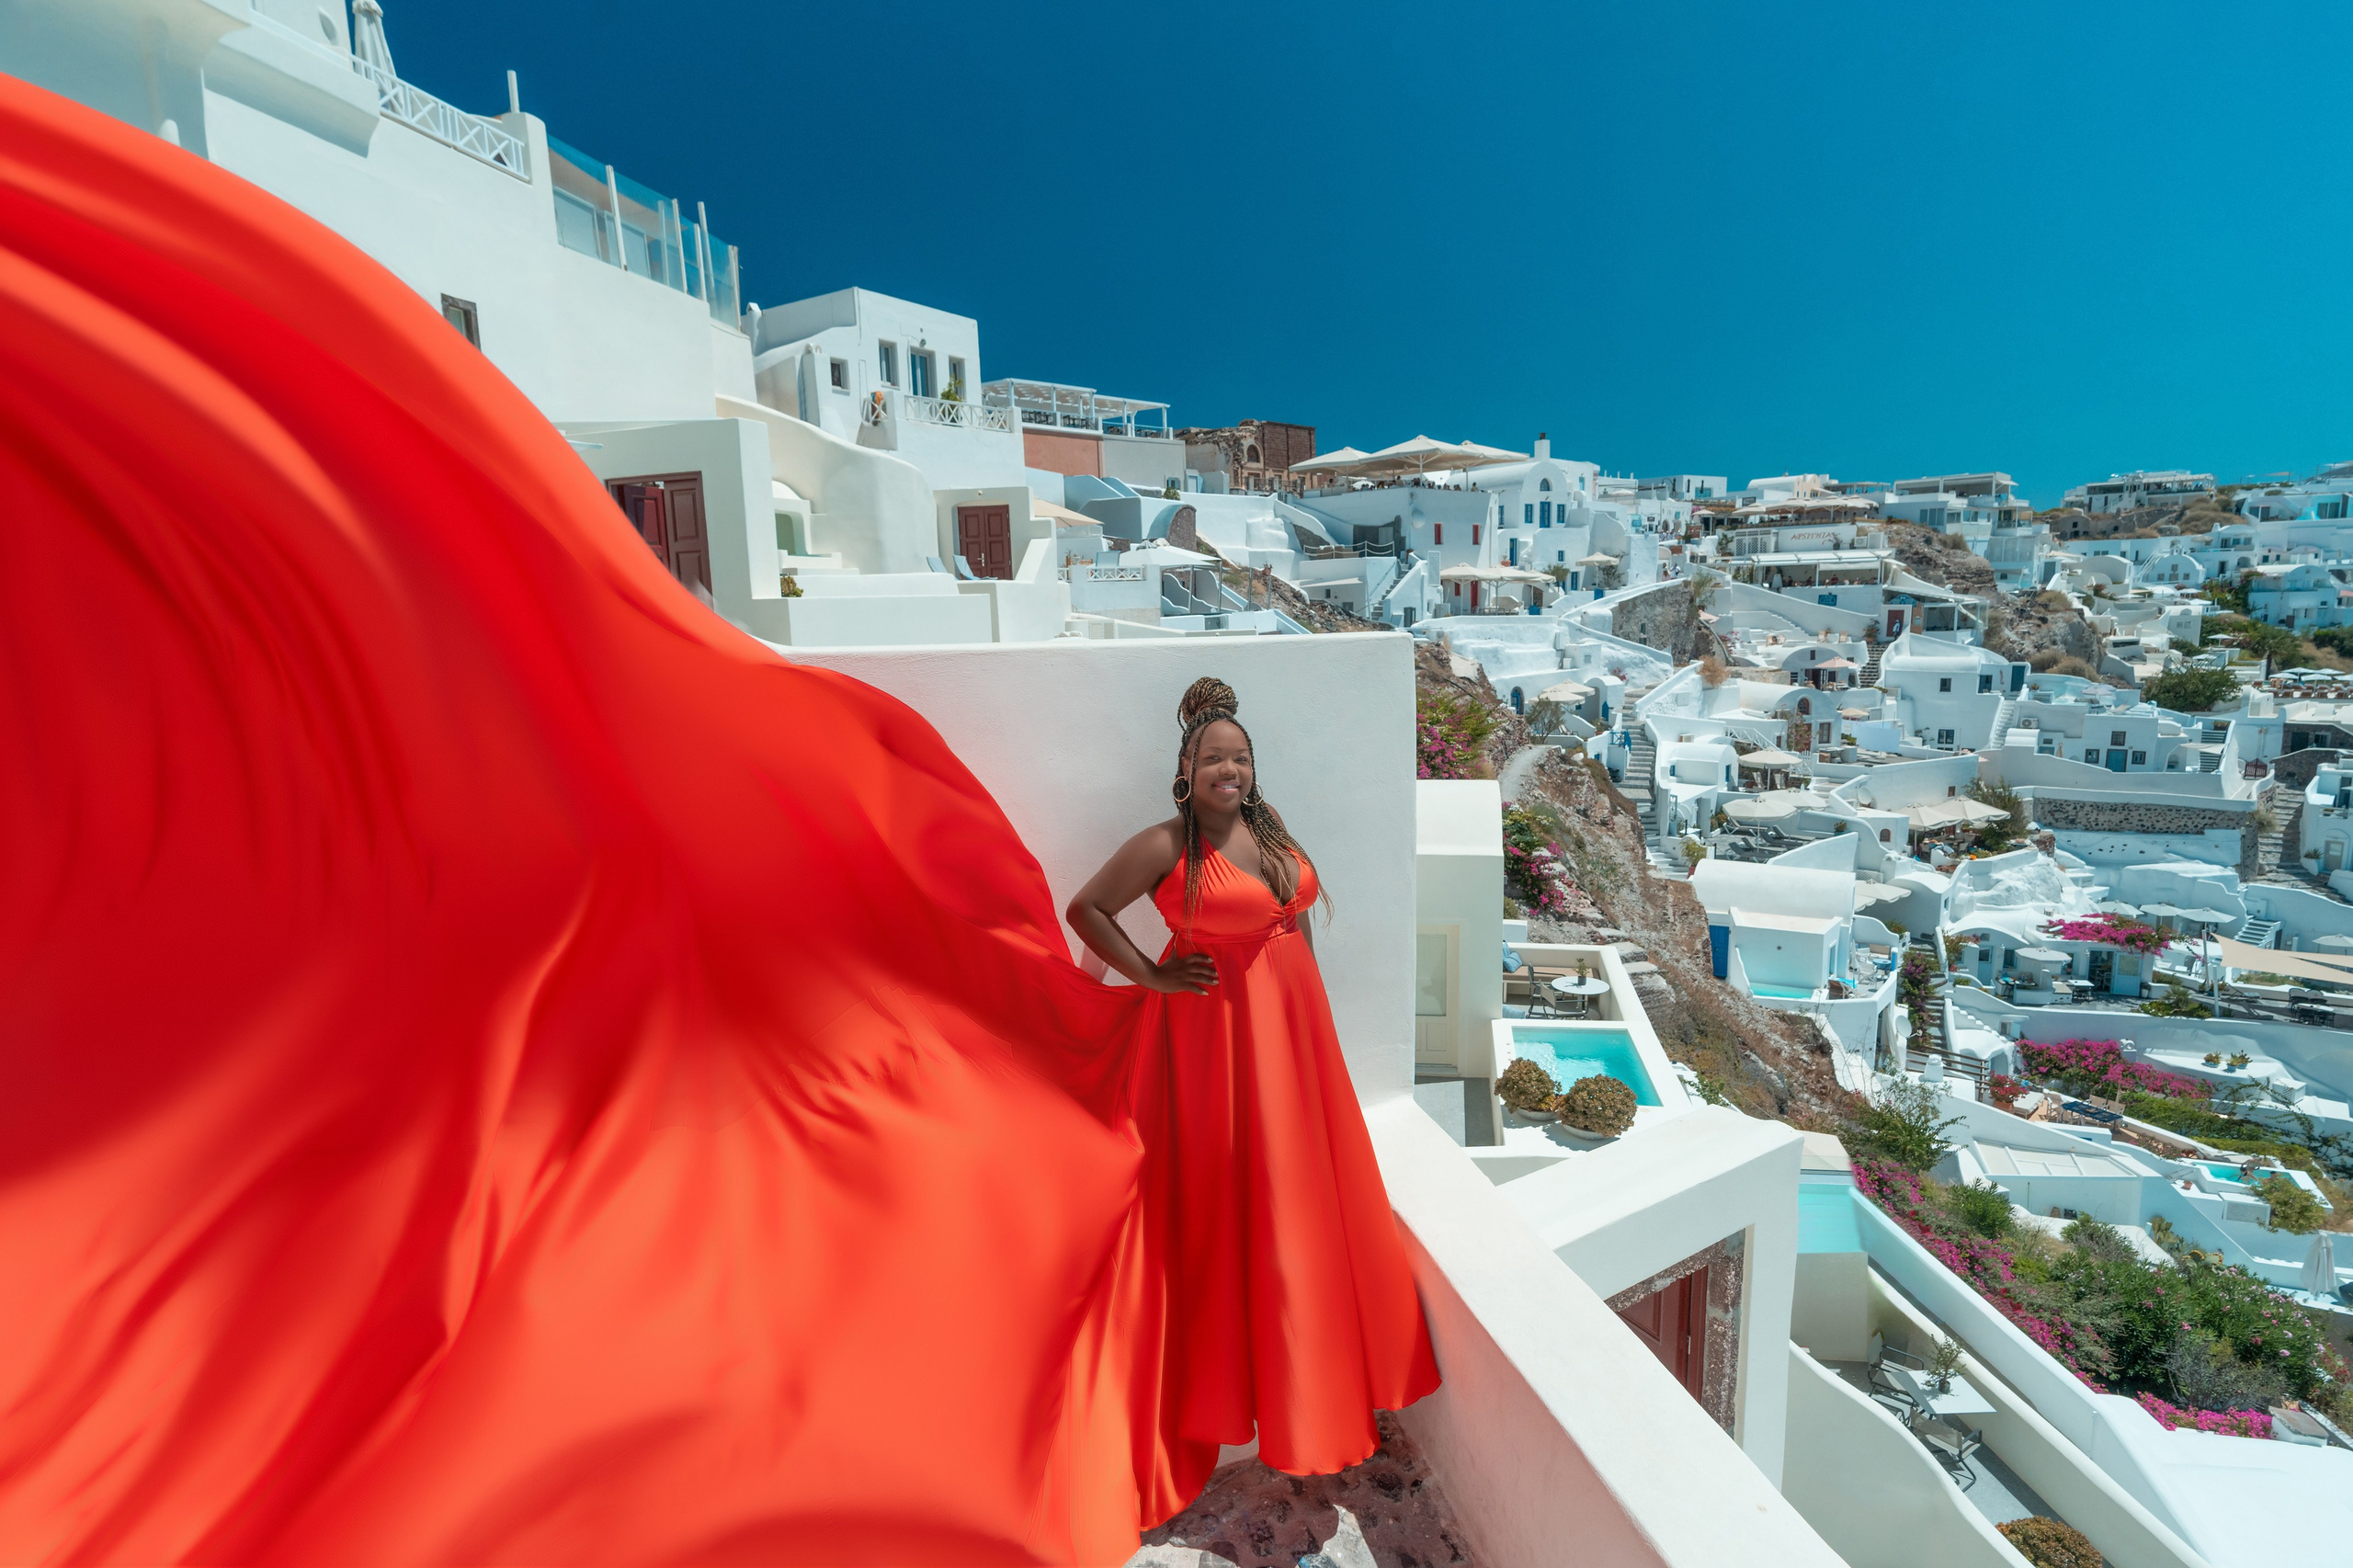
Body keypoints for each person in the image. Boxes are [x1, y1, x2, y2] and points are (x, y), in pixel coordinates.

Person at [1066, 678, 1439, 1513]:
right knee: (1243, 1207)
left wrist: (1312, 1017)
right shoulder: (1167, 845)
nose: (1227, 769)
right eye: (1212, 758)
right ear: (1185, 769)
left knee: (1305, 1203)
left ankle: (1325, 1383)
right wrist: (1155, 976)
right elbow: (1086, 908)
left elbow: (1292, 924)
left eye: (1240, 758)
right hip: (1217, 1046)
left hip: (1291, 1040)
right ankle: (1253, 1396)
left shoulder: (1273, 838)